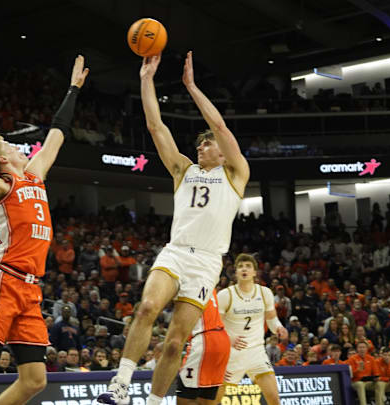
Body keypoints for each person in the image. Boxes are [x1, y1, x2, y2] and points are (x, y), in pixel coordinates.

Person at [98, 51, 248, 405]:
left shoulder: (236, 174)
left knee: (176, 341)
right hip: (177, 251)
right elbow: (156, 127)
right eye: (198, 143)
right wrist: (146, 80)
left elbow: (222, 127)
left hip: (208, 262)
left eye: (206, 143)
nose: (200, 146)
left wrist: (192, 87)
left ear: (223, 152)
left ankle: (153, 401)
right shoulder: (184, 169)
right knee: (148, 306)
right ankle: (120, 384)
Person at [0, 55, 89, 405]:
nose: (17, 146)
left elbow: (57, 134)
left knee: (35, 379)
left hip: (31, 289)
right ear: (2, 160)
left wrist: (73, 90)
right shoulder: (1, 183)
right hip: (4, 280)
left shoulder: (36, 174)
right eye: (9, 145)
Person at [215, 254, 287, 405]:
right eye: (240, 266)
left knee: (274, 399)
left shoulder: (265, 293)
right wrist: (229, 338)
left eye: (248, 266)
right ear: (236, 272)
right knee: (213, 401)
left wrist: (279, 328)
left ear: (255, 272)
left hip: (257, 353)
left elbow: (272, 319)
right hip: (232, 355)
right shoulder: (225, 295)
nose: (244, 269)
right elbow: (215, 324)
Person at [176, 292, 229, 405]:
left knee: (185, 400)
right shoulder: (210, 281)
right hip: (221, 338)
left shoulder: (190, 282)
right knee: (205, 400)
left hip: (205, 339)